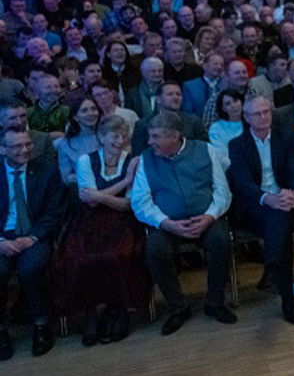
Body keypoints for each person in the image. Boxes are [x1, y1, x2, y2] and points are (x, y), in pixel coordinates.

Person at [130, 110, 237, 336]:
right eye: (150, 136)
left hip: (206, 217)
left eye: (156, 137)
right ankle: (178, 307)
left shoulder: (205, 150)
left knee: (220, 242)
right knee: (155, 250)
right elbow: (140, 202)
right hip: (167, 222)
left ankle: (215, 302)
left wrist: (210, 216)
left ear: (174, 136)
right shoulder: (146, 160)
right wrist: (166, 223)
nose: (150, 142)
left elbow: (222, 190)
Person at [53, 115, 148, 346]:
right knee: (79, 258)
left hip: (122, 221)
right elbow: (89, 203)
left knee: (119, 255)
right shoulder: (87, 160)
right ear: (101, 137)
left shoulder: (133, 161)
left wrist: (99, 194)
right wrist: (125, 182)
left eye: (123, 136)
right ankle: (90, 314)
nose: (120, 140)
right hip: (88, 221)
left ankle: (120, 309)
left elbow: (127, 204)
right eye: (114, 136)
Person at [226, 96, 294, 325]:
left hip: (282, 201)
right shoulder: (237, 145)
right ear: (247, 118)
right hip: (254, 206)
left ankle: (272, 270)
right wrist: (266, 198)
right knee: (280, 226)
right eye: (257, 114)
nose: (263, 117)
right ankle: (288, 302)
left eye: (266, 112)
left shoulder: (284, 139)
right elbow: (243, 183)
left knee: (280, 218)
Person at [0, 127, 68, 359]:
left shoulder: (47, 171)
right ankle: (1, 330)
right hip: (2, 237)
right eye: (17, 146)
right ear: (3, 149)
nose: (25, 149)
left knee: (31, 268)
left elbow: (54, 212)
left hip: (34, 233)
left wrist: (31, 237)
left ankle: (41, 325)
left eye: (27, 144)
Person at [56, 96, 102, 186]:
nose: (91, 113)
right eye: (84, 110)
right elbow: (66, 177)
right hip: (84, 191)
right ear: (75, 117)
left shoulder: (108, 134)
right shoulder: (66, 144)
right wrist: (89, 177)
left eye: (93, 109)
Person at [207, 88, 246, 169]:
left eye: (235, 101)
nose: (233, 106)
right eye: (228, 104)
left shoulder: (251, 121)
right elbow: (221, 158)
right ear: (223, 109)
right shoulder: (216, 128)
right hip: (232, 169)